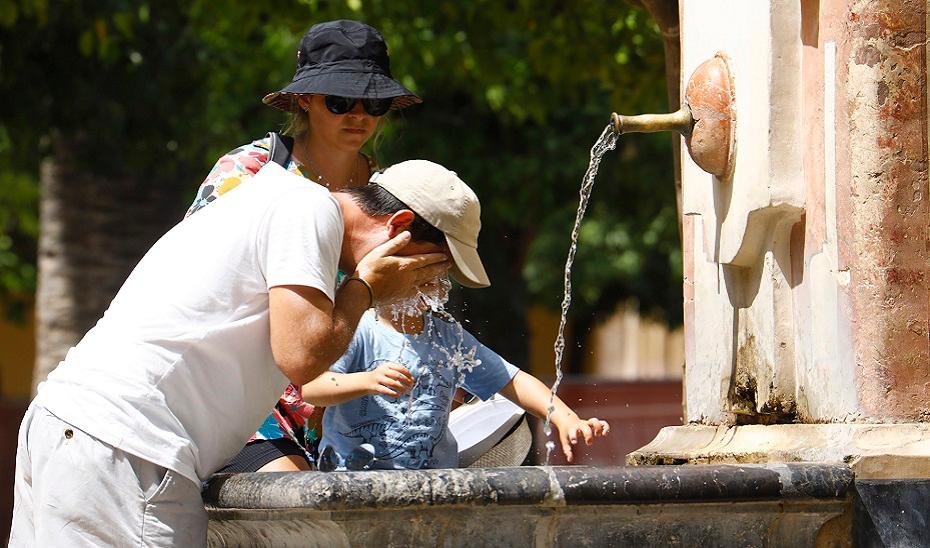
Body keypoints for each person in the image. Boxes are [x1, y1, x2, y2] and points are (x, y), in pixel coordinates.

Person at [9, 157, 458, 546]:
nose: (430, 287)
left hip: (77, 427)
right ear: (398, 229)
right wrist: (365, 287)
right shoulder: (308, 208)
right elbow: (302, 359)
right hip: (126, 448)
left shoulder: (273, 198)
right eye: (432, 268)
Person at [187, 19, 422, 474]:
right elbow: (194, 281)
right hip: (240, 397)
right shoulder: (251, 171)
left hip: (331, 407)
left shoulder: (380, 190)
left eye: (373, 103)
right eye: (339, 101)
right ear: (304, 100)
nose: (358, 115)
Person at [305, 161, 610, 470]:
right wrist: (366, 381)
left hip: (431, 491)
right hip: (350, 487)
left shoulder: (447, 338)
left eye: (441, 271)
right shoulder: (358, 327)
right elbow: (312, 388)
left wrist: (564, 416)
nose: (433, 278)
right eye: (423, 267)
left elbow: (512, 379)